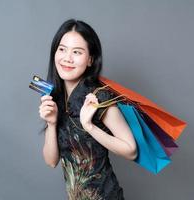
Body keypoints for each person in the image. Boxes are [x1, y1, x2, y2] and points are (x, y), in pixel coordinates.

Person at [39, 19, 137, 200]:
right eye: (62, 49)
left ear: (90, 59)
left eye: (77, 52)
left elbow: (131, 150)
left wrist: (89, 125)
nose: (67, 58)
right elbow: (51, 161)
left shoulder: (97, 97)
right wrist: (51, 123)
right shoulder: (56, 98)